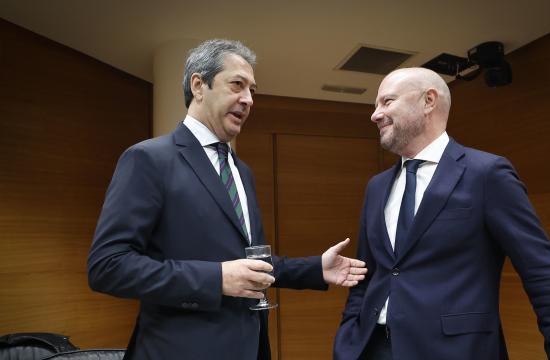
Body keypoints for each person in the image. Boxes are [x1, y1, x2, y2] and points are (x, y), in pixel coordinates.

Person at [87, 39, 367, 360]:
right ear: (198, 85)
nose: (248, 99)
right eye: (237, 85)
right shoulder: (149, 159)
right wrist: (216, 279)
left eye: (252, 90)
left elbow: (248, 264)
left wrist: (316, 269)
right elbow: (108, 266)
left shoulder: (241, 170)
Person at [333, 67, 550, 360]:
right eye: (375, 105)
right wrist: (348, 336)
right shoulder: (376, 187)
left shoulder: (487, 174)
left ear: (429, 101)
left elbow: (541, 275)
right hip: (371, 348)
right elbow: (366, 274)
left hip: (456, 351)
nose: (375, 115)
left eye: (387, 102)